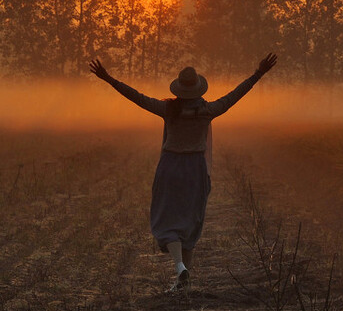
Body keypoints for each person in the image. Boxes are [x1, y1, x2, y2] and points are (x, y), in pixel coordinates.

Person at [88, 52, 278, 291]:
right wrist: (258, 73)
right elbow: (236, 95)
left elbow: (136, 97)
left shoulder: (169, 110)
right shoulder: (209, 111)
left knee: (167, 220)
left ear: (178, 89)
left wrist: (108, 78)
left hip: (170, 167)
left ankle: (180, 268)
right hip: (196, 169)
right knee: (190, 221)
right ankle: (183, 277)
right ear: (199, 89)